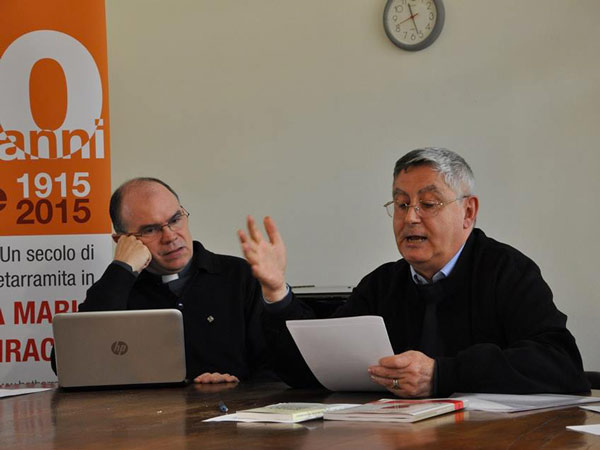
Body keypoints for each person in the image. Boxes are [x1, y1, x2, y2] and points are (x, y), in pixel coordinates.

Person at [238, 148, 590, 397]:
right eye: (401, 204)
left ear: (468, 213)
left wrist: (441, 374)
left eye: (428, 204)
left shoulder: (506, 271)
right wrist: (277, 293)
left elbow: (561, 364)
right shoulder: (382, 284)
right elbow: (310, 372)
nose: (410, 217)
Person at [53, 177, 270, 384]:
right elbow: (67, 364)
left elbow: (274, 369)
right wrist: (121, 270)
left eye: (175, 220)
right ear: (123, 241)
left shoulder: (239, 275)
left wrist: (234, 388)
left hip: (229, 407)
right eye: (150, 230)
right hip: (144, 410)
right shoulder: (117, 287)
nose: (170, 236)